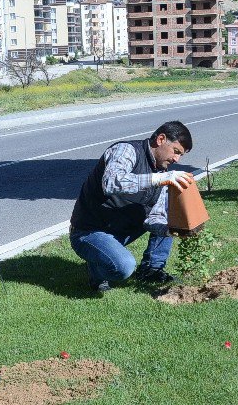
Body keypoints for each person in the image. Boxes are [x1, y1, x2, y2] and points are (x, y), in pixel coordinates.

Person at [70, 121, 194, 294]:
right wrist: (157, 179)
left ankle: (151, 270)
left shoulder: (162, 172)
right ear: (160, 139)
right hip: (90, 231)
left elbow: (154, 217)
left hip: (122, 230)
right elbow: (111, 182)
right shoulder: (126, 150)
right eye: (176, 151)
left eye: (181, 155)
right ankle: (97, 270)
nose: (176, 159)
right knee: (124, 267)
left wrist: (170, 230)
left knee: (170, 213)